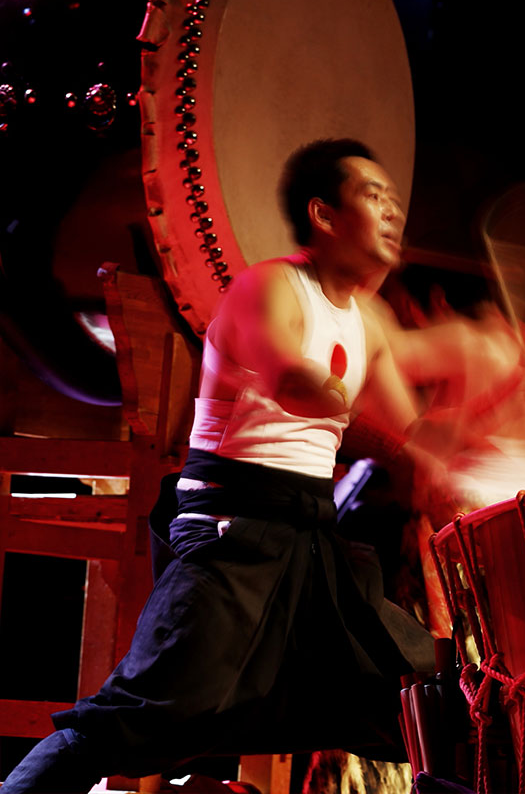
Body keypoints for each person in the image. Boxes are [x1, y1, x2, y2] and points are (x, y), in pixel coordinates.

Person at [4, 139, 453, 792]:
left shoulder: (370, 322)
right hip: (233, 531)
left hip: (312, 544)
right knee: (139, 714)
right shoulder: (268, 287)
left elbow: (411, 438)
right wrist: (343, 404)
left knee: (419, 692)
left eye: (393, 198)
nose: (392, 210)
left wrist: (472, 422)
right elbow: (289, 375)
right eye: (372, 195)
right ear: (324, 215)